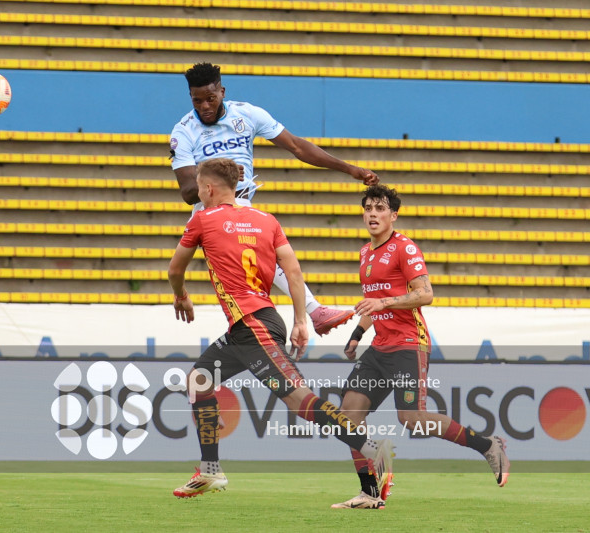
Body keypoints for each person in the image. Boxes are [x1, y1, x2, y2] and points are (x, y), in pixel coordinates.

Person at [167, 158, 394, 498]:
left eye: (200, 187)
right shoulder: (267, 220)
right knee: (199, 381)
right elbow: (293, 271)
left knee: (301, 401)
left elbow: (175, 269)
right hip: (251, 326)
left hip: (253, 327)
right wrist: (301, 319)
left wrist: (181, 295)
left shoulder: (202, 218)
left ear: (209, 188)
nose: (198, 193)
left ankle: (373, 449)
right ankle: (210, 469)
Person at [331, 184, 510, 510]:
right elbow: (375, 303)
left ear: (393, 215)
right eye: (368, 208)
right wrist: (357, 333)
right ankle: (370, 492)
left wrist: (383, 302)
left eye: (380, 208)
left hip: (409, 344)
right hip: (379, 347)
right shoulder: (365, 253)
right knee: (348, 416)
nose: (373, 214)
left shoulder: (405, 248)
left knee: (412, 418)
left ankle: (487, 445)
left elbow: (425, 294)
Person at [170, 62, 380, 336]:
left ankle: (309, 313)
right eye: (197, 101)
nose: (205, 107)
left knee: (277, 255)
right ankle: (309, 313)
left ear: (222, 92)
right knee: (267, 253)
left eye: (211, 98)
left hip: (241, 204)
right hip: (209, 210)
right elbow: (188, 192)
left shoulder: (247, 114)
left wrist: (350, 169)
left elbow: (297, 146)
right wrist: (223, 172)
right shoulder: (183, 131)